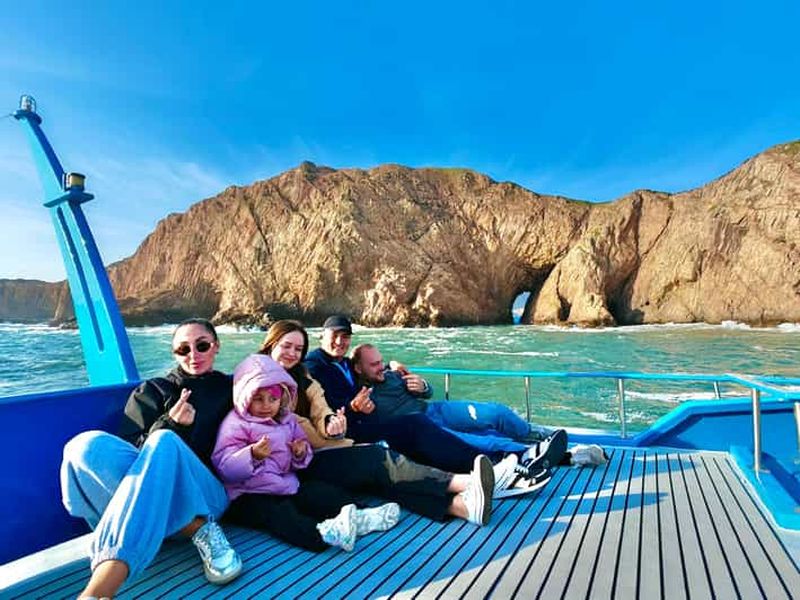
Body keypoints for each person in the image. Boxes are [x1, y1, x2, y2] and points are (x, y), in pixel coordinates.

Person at [60, 318, 242, 599]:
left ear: (216, 346)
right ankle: (193, 529)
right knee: (82, 447)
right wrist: (171, 422)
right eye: (183, 349)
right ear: (174, 354)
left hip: (207, 498)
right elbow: (135, 455)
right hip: (154, 495)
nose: (193, 355)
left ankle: (100, 588)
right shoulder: (152, 391)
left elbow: (273, 395)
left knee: (165, 440)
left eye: (202, 345)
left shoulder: (233, 389)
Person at [257, 319, 498, 526]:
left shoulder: (302, 375)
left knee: (386, 470)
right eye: (286, 346)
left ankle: (461, 506)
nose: (292, 353)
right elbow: (295, 424)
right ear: (271, 344)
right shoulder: (264, 381)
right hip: (300, 460)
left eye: (298, 349)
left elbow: (320, 406)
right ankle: (473, 480)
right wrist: (343, 435)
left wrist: (332, 421)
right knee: (378, 459)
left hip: (330, 442)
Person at [304, 316, 566, 488]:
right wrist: (352, 408)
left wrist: (423, 385)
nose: (340, 341)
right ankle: (529, 454)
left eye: (345, 336)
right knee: (481, 440)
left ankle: (536, 435)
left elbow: (422, 388)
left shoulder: (384, 370)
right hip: (413, 423)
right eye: (335, 335)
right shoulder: (326, 368)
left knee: (492, 413)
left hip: (431, 408)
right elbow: (334, 404)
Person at [212, 353, 401, 552]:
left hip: (284, 483)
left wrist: (300, 453)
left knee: (318, 493)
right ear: (244, 397)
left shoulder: (287, 420)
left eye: (273, 398)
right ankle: (323, 534)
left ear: (283, 398)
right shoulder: (236, 424)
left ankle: (361, 515)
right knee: (280, 515)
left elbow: (301, 452)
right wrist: (252, 456)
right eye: (257, 399)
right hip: (247, 494)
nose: (266, 405)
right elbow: (225, 466)